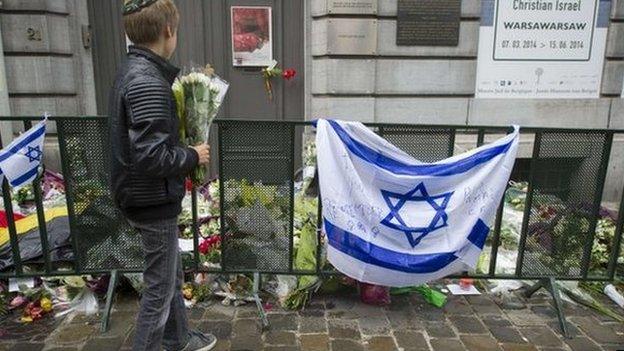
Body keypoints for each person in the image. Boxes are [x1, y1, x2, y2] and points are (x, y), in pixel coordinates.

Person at [108, 0, 215, 350]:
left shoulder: (135, 70)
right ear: (168, 30)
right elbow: (151, 157)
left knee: (169, 276)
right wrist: (192, 154)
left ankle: (178, 338)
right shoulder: (147, 82)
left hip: (146, 197)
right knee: (159, 288)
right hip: (150, 199)